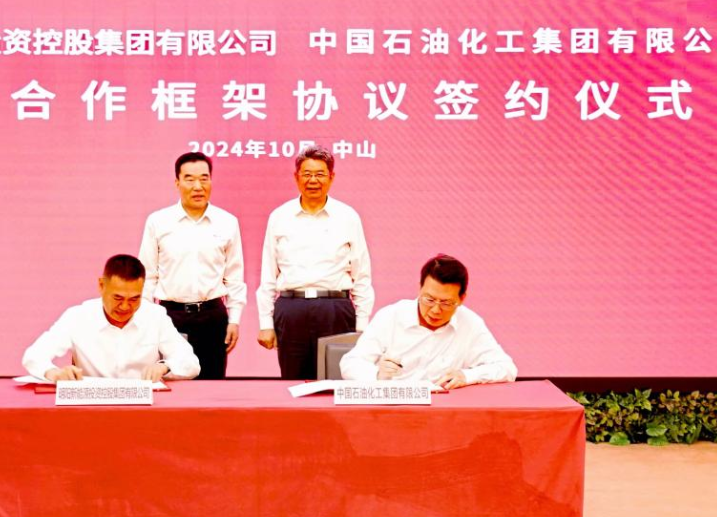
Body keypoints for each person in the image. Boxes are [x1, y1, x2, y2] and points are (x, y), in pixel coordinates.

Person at [257, 144, 374, 379]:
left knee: (336, 380)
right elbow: (268, 273)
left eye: (320, 174)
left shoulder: (347, 217)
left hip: (335, 309)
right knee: (293, 381)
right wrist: (265, 323)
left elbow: (361, 275)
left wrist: (362, 326)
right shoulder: (280, 216)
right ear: (296, 177)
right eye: (307, 174)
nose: (313, 180)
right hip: (291, 309)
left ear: (331, 177)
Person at [138, 152, 246, 379]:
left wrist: (234, 319)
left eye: (204, 178)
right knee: (172, 382)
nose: (198, 186)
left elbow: (234, 278)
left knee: (212, 386)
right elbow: (148, 277)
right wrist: (147, 320)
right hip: (170, 317)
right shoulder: (158, 221)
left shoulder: (227, 222)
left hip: (212, 317)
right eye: (189, 179)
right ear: (177, 182)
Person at [340, 254, 516, 389]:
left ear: (462, 298)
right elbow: (350, 363)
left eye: (446, 303)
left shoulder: (470, 323)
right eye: (429, 299)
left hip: (444, 412)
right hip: (393, 407)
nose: (435, 310)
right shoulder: (391, 316)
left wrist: (466, 376)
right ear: (420, 288)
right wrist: (377, 375)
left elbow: (507, 368)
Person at [22, 254, 200, 382]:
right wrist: (53, 373)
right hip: (92, 406)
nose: (125, 307)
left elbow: (190, 362)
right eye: (118, 298)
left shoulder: (155, 316)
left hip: (144, 406)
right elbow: (33, 356)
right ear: (101, 286)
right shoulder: (77, 316)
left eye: (134, 299)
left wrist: (164, 366)